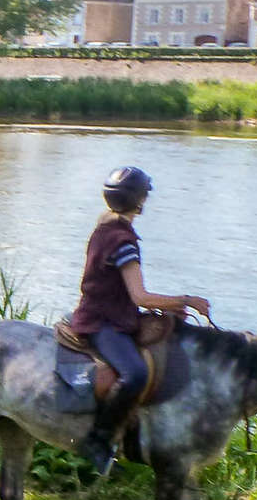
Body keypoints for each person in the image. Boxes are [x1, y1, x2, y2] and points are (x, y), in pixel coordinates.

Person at [66, 166, 211, 475]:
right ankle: (99, 442)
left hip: (110, 313)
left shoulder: (105, 226)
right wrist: (186, 300)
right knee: (134, 375)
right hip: (102, 322)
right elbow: (140, 296)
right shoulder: (123, 241)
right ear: (139, 201)